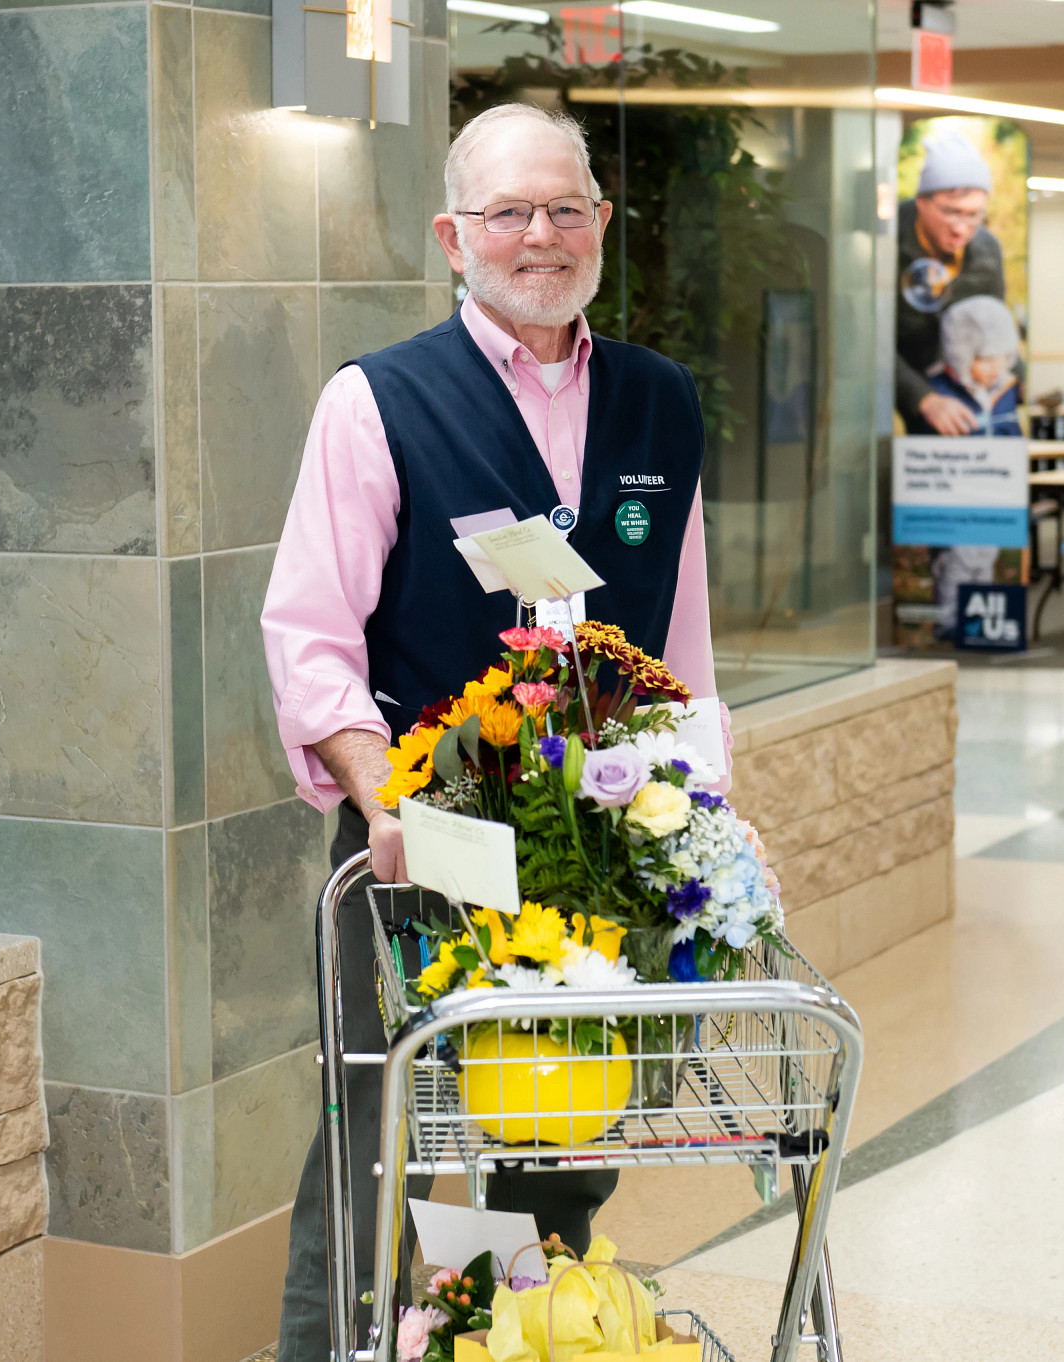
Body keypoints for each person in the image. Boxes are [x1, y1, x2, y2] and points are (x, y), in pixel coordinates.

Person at [260, 102, 721, 1362]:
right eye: (507, 212)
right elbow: (310, 634)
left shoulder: (660, 405)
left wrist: (707, 824)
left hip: (592, 857)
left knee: (559, 1147)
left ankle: (535, 1340)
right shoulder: (376, 403)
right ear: (452, 236)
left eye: (564, 208)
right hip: (424, 851)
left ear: (601, 228)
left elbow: (680, 650)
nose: (539, 236)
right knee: (378, 1132)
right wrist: (380, 801)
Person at [896, 127, 1007, 435]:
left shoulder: (986, 250)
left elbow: (992, 322)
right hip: (894, 385)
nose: (962, 228)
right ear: (922, 202)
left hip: (961, 384)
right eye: (952, 212)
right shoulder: (886, 241)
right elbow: (867, 340)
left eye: (974, 215)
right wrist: (924, 398)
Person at [927, 295, 1022, 437]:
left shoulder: (1007, 388)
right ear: (959, 357)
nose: (996, 367)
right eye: (985, 359)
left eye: (1001, 357)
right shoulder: (936, 393)